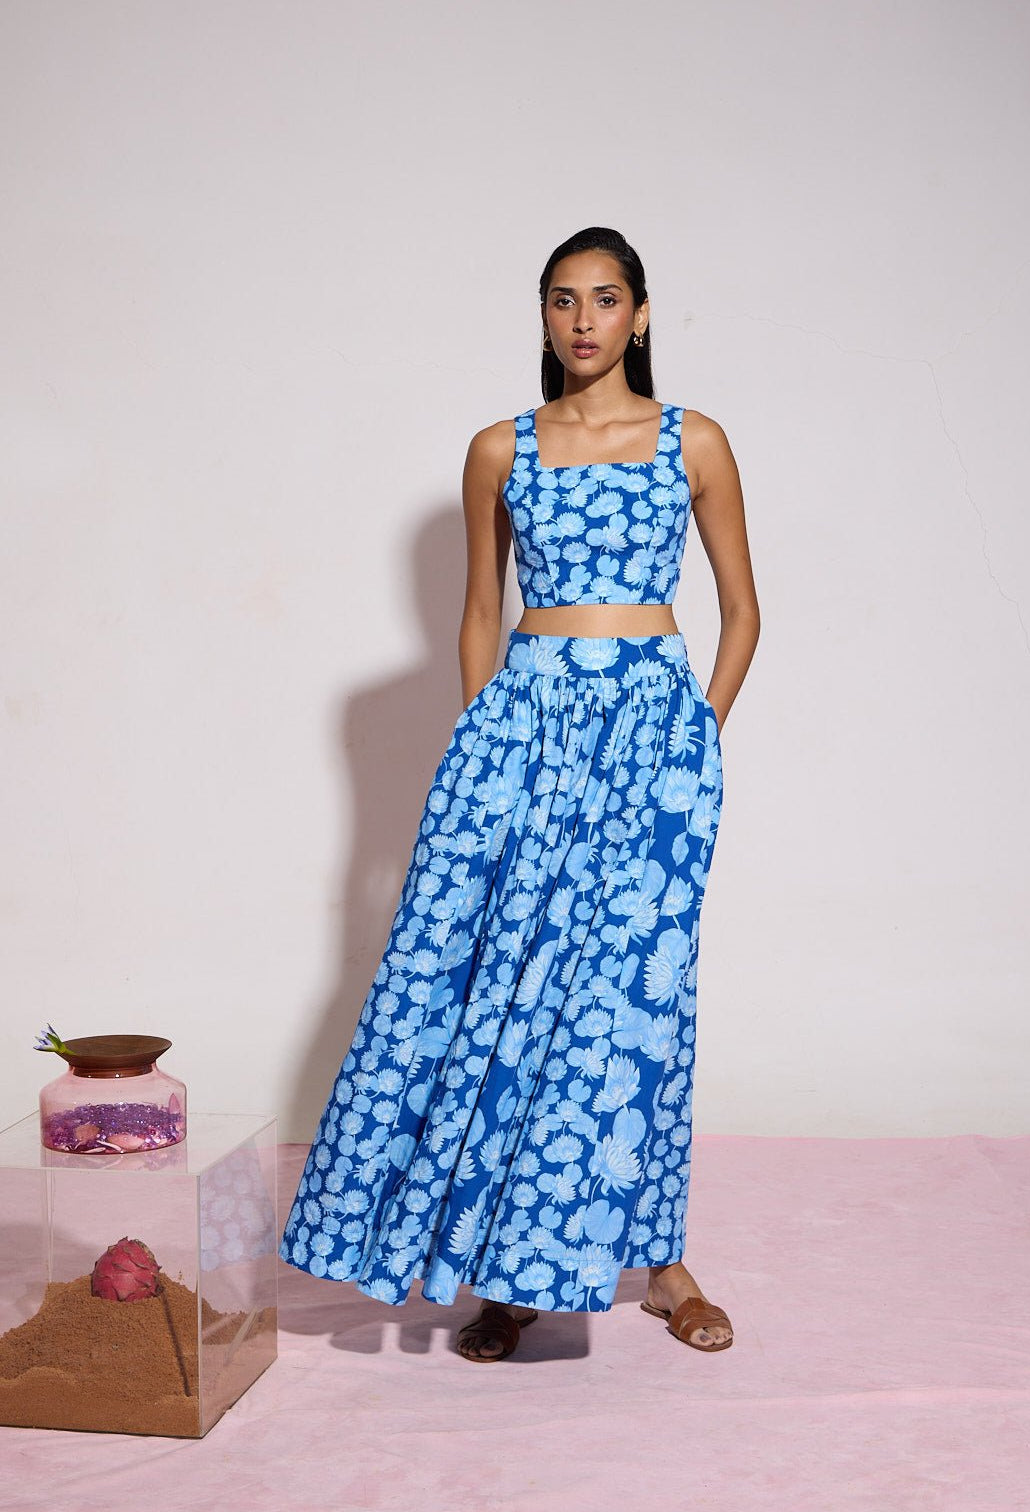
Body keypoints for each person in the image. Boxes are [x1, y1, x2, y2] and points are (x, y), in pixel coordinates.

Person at [279, 226, 761, 1363]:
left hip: (650, 740)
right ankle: (505, 1273)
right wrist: (483, 739)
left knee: (632, 1008)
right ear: (543, 316)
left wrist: (695, 737)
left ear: (641, 313)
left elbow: (743, 612)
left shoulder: (694, 441)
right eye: (562, 300)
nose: (584, 320)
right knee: (500, 992)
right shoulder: (503, 449)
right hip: (524, 732)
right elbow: (481, 615)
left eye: (606, 298)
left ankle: (661, 1264)